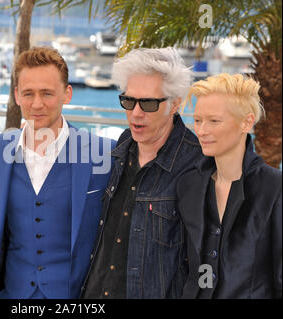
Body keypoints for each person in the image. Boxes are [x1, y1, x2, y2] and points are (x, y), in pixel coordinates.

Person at [0, 47, 116, 299]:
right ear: (16, 95)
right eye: (28, 93)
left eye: (47, 93)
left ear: (67, 93)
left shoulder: (104, 153)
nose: (37, 104)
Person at [82, 47, 203, 299]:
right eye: (128, 101)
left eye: (148, 103)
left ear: (175, 104)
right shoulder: (122, 146)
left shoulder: (197, 164)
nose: (136, 113)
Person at [176, 73, 282, 299]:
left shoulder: (275, 188)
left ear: (247, 121)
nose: (202, 131)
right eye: (197, 120)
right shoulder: (188, 185)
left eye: (214, 121)